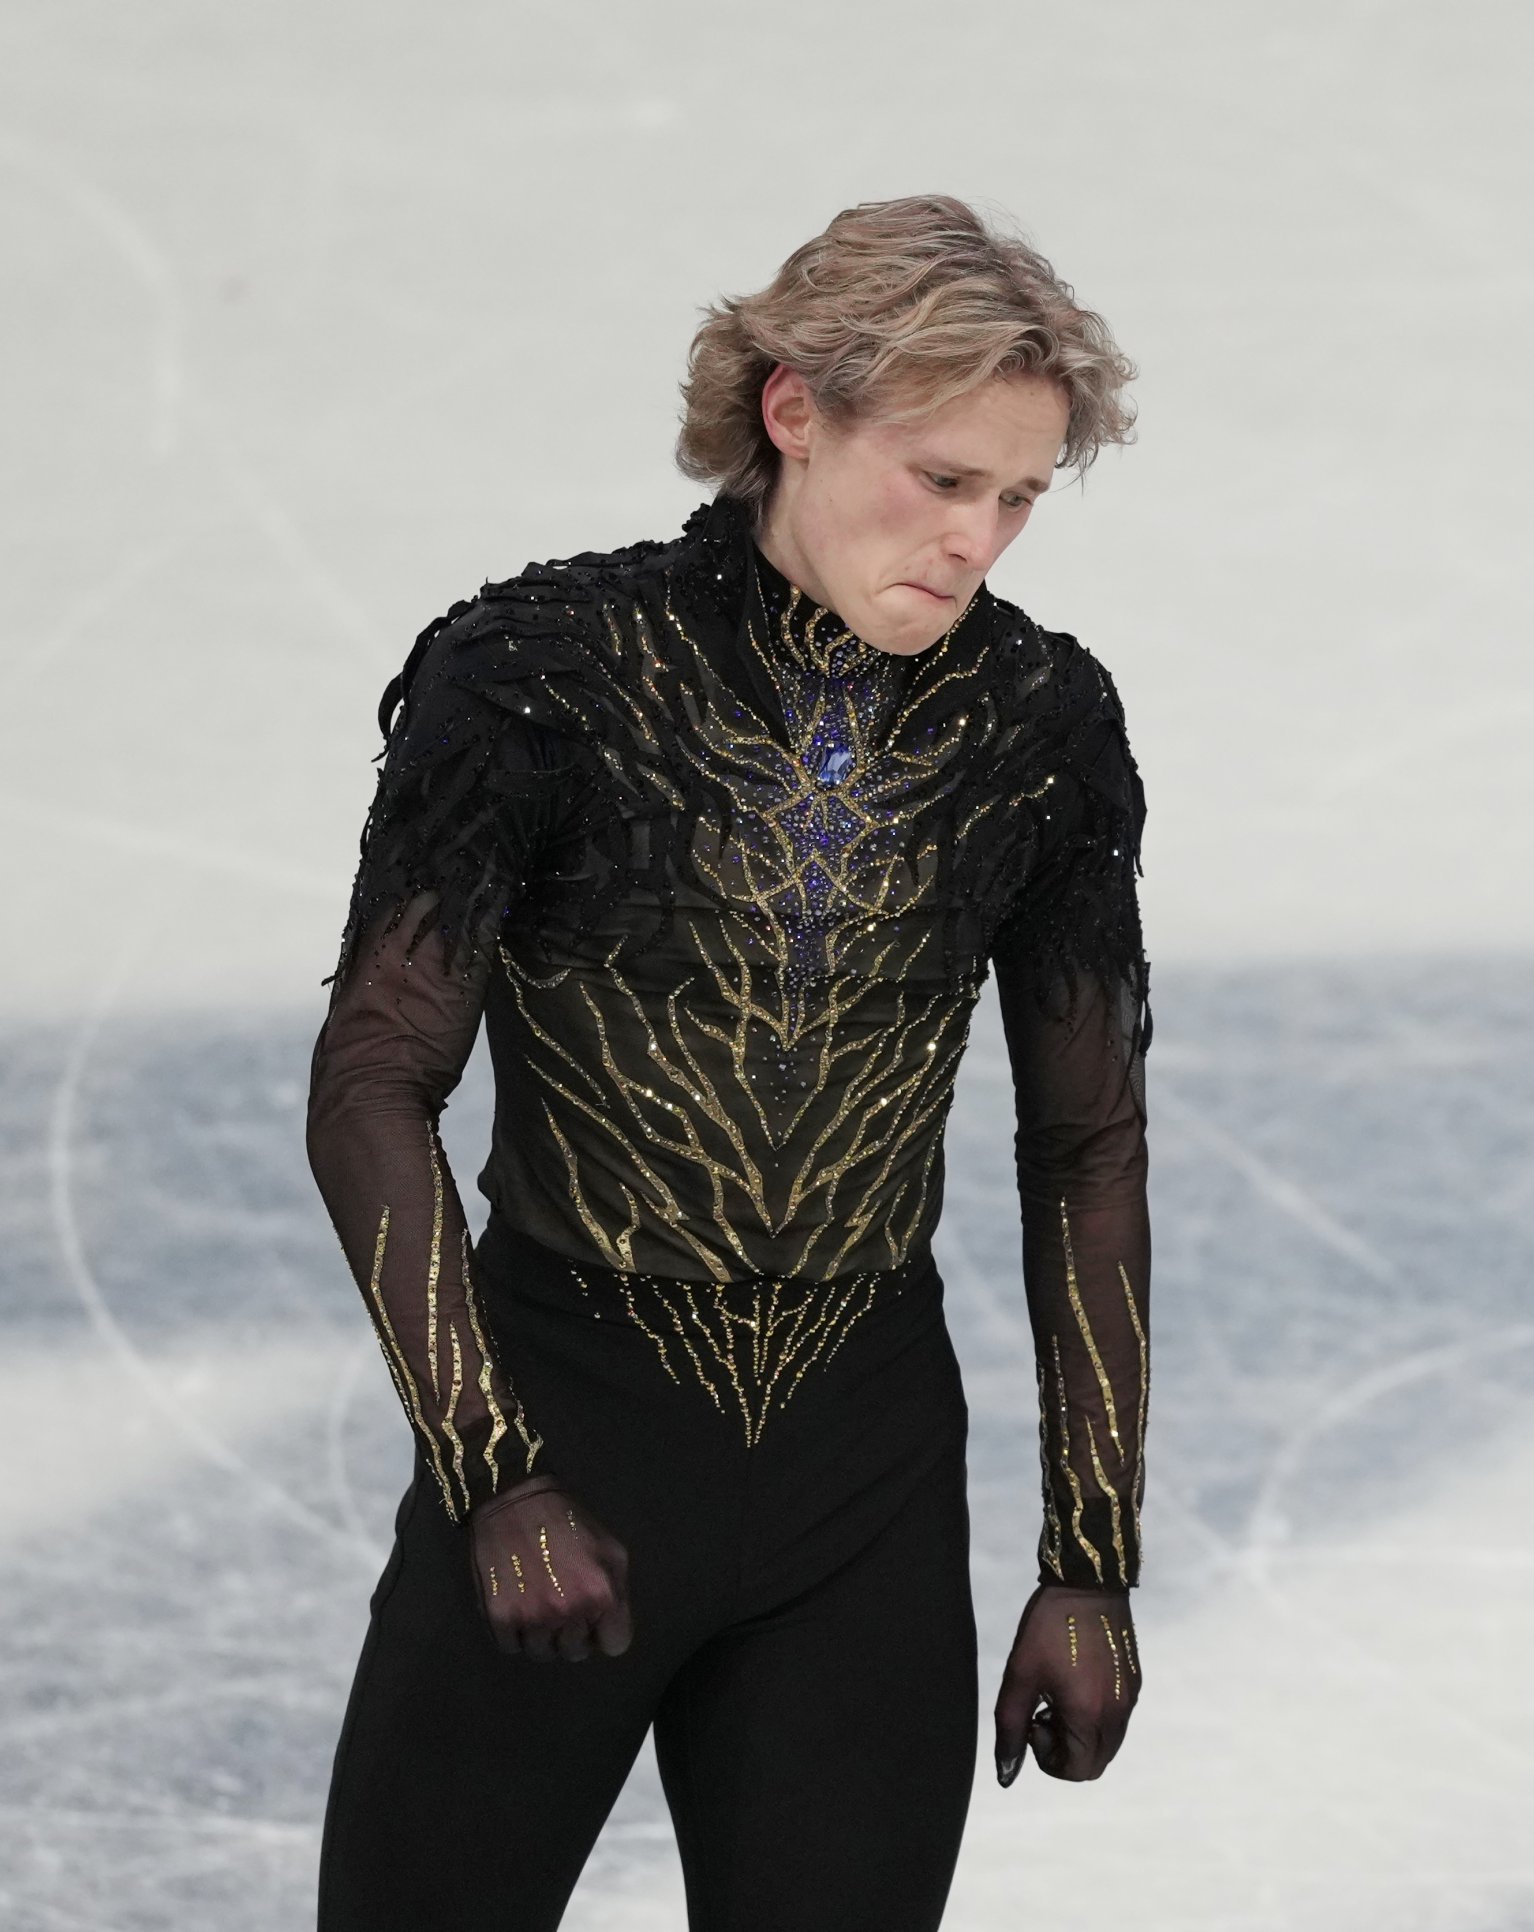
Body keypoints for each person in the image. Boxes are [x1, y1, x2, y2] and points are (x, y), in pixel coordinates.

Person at [305, 192, 1152, 1932]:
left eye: (1019, 496)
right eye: (942, 477)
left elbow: (1087, 1148)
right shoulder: (542, 675)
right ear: (793, 410)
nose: (977, 540)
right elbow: (375, 1080)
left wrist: (1091, 1558)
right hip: (565, 1433)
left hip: (868, 1482)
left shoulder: (1041, 727)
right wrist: (490, 1467)